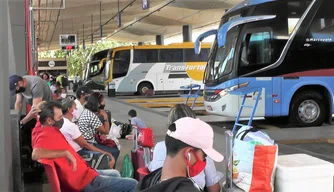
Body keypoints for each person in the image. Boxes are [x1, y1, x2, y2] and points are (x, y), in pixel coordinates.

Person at [31, 101, 137, 192]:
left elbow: (42, 107)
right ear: (49, 120)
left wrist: (39, 106)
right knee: (133, 184)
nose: (62, 119)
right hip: (83, 181)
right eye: (59, 117)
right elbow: (35, 154)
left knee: (115, 174)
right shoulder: (45, 135)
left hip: (84, 173)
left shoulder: (41, 125)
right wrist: (65, 152)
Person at [147, 104, 223, 192]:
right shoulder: (189, 188)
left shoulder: (150, 180)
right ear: (188, 155)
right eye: (204, 156)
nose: (203, 161)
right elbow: (213, 188)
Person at [60, 98, 116, 167]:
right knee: (110, 154)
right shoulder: (70, 126)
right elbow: (85, 144)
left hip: (75, 149)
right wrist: (106, 153)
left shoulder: (62, 122)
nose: (77, 109)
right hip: (79, 152)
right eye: (75, 107)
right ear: (69, 110)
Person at [78, 92, 120, 164]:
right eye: (103, 102)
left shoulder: (87, 111)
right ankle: (109, 169)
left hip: (86, 141)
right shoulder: (91, 116)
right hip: (88, 144)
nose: (104, 104)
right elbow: (106, 131)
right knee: (115, 151)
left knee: (112, 145)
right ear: (98, 104)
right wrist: (105, 117)